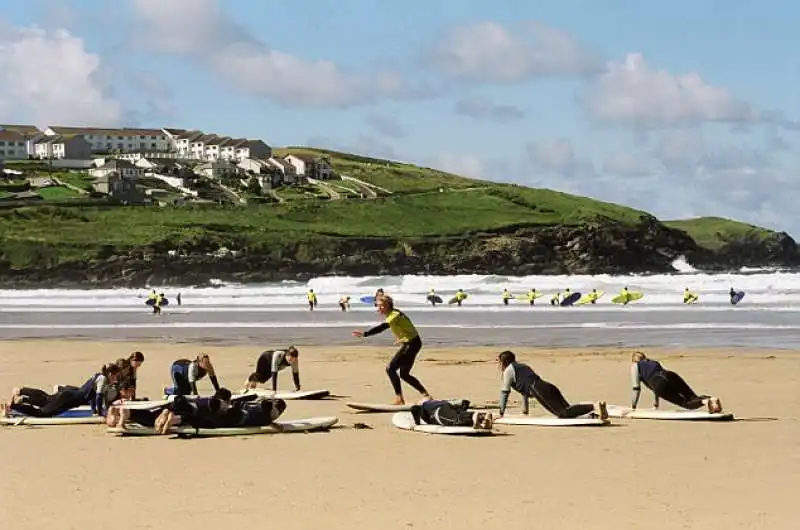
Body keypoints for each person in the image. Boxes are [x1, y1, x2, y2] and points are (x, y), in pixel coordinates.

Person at [352, 295, 431, 405]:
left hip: (411, 344)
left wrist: (366, 334)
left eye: (380, 306)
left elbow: (382, 327)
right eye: (377, 306)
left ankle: (400, 399)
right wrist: (402, 338)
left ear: (387, 305)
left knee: (390, 369)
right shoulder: (393, 314)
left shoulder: (394, 315)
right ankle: (425, 395)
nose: (378, 308)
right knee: (404, 374)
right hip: (412, 343)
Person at [496, 350, 607, 420]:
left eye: (499, 362)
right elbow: (524, 391)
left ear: (504, 362)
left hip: (537, 389)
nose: (498, 365)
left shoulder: (508, 371)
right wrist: (525, 412)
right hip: (547, 386)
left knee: (562, 413)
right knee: (569, 411)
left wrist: (501, 413)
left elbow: (504, 393)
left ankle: (594, 406)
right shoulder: (522, 366)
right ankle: (592, 414)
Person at [1, 364, 122, 418]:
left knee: (46, 400)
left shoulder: (98, 375)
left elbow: (91, 396)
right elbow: (98, 397)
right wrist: (101, 413)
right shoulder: (103, 380)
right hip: (68, 399)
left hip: (68, 394)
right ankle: (14, 405)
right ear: (111, 373)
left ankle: (22, 392)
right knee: (43, 413)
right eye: (116, 376)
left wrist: (95, 411)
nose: (116, 379)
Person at [630, 352, 722, 413]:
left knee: (686, 404)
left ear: (634, 360)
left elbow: (636, 388)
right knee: (692, 397)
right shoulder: (653, 362)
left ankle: (705, 401)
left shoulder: (635, 366)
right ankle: (712, 399)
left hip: (659, 382)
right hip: (670, 375)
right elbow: (654, 386)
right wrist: (656, 404)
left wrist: (633, 407)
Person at [410, 399, 494, 430]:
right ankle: (482, 419)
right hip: (448, 406)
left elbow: (414, 409)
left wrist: (416, 424)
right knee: (458, 417)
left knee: (454, 420)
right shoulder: (437, 401)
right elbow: (464, 402)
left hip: (438, 412)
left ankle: (474, 416)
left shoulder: (424, 405)